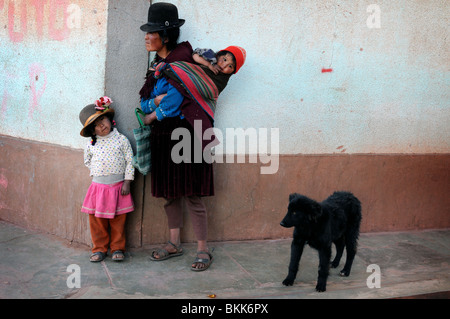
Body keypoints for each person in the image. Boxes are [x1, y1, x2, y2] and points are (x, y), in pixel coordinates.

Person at [139, 2, 216, 271]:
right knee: (170, 194)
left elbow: (172, 102)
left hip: (188, 134)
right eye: (147, 32)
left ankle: (203, 249)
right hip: (163, 135)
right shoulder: (158, 65)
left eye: (152, 32)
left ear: (166, 35)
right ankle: (174, 243)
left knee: (192, 194)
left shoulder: (181, 61)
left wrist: (153, 113)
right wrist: (152, 107)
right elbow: (145, 101)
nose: (147, 37)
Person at [79, 96, 135, 262]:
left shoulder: (121, 140)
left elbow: (130, 160)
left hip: (119, 187)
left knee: (118, 220)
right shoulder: (92, 145)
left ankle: (117, 248)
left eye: (102, 120)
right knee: (97, 221)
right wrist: (99, 173)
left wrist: (127, 181)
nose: (101, 126)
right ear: (92, 131)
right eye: (96, 125)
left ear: (110, 119)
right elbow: (87, 160)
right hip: (98, 188)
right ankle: (99, 249)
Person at [140, 45, 246, 123]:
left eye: (230, 66)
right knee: (171, 90)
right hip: (177, 79)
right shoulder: (211, 56)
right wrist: (209, 65)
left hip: (184, 91)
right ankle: (149, 106)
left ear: (232, 72)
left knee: (178, 99)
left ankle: (153, 115)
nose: (224, 65)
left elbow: (210, 92)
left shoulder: (221, 81)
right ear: (220, 55)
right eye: (225, 59)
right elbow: (195, 56)